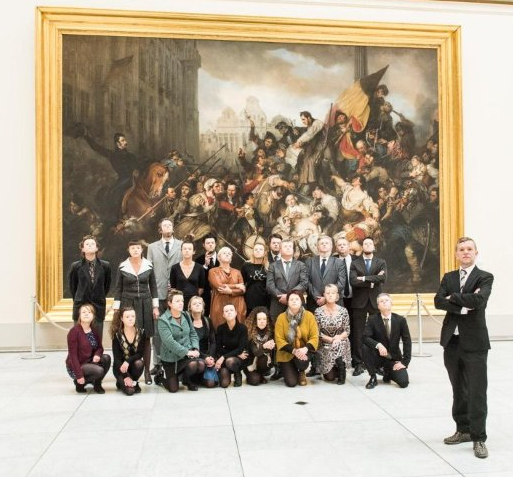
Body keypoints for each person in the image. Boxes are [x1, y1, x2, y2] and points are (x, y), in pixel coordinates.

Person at [434, 237, 494, 459]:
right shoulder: (449, 277)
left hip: (475, 343)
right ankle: (463, 430)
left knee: (477, 391)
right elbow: (438, 301)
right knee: (458, 388)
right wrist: (463, 304)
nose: (466, 252)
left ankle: (479, 438)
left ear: (476, 253)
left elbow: (480, 301)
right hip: (452, 342)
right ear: (456, 254)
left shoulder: (485, 276)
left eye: (469, 249)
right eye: (461, 249)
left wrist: (454, 298)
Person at [113, 241, 159, 385]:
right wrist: (116, 308)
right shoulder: (123, 266)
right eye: (132, 248)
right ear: (128, 250)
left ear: (142, 250)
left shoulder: (149, 265)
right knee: (128, 334)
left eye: (138, 248)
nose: (135, 250)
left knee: (146, 337)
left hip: (146, 303)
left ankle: (147, 372)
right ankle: (127, 369)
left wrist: (155, 307)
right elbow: (118, 288)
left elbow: (153, 287)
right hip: (128, 303)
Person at [147, 218, 182, 378]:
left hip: (177, 295)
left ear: (173, 228)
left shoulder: (181, 245)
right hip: (158, 294)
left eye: (170, 225)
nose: (167, 227)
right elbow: (149, 270)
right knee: (157, 331)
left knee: (178, 328)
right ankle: (157, 363)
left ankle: (178, 361)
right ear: (160, 229)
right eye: (164, 225)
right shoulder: (152, 247)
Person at [350, 237, 387, 376]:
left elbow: (383, 278)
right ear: (362, 247)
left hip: (375, 302)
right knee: (358, 333)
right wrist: (373, 280)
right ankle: (358, 363)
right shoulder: (355, 263)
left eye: (370, 243)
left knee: (377, 332)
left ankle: (377, 363)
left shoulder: (381, 262)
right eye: (365, 243)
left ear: (374, 246)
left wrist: (364, 278)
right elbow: (353, 281)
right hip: (359, 302)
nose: (368, 245)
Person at [157, 289, 205, 392]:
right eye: (177, 301)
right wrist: (187, 352)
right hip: (171, 358)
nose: (181, 303)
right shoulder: (163, 320)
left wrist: (195, 348)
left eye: (182, 301)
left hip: (185, 356)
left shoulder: (186, 315)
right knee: (173, 389)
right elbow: (169, 342)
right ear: (170, 303)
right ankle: (160, 377)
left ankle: (187, 380)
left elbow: (193, 334)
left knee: (200, 364)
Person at [362, 293, 411, 390]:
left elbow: (407, 341)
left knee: (404, 382)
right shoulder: (372, 319)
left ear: (391, 303)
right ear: (378, 306)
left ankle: (388, 373)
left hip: (393, 358)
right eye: (381, 301)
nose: (384, 302)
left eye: (386, 300)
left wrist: (405, 362)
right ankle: (373, 376)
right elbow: (365, 337)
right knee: (365, 347)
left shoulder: (400, 320)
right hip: (378, 357)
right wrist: (378, 345)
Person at [68, 235, 112, 341]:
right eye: (87, 244)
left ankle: (96, 352)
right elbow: (73, 287)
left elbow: (106, 286)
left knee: (97, 338)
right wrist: (79, 298)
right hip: (81, 304)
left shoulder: (105, 266)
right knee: (80, 338)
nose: (90, 246)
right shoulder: (76, 266)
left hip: (98, 305)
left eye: (92, 244)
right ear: (82, 249)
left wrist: (99, 296)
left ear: (97, 248)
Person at [274, 291, 319, 387]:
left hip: (303, 351)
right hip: (287, 352)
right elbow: (279, 339)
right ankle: (288, 369)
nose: (294, 301)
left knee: (301, 363)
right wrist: (294, 351)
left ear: (302, 301)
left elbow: (314, 337)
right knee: (291, 383)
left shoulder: (309, 316)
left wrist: (305, 349)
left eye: (297, 299)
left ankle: (301, 371)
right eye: (291, 299)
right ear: (287, 302)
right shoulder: (281, 317)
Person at [65, 304, 111, 394]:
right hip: (76, 366)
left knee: (106, 358)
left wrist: (97, 354)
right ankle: (80, 383)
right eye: (83, 312)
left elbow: (100, 348)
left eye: (89, 312)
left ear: (93, 316)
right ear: (79, 315)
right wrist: (79, 375)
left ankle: (97, 384)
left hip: (89, 361)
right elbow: (73, 356)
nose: (86, 314)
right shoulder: (74, 332)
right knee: (99, 371)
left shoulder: (93, 330)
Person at [315, 284, 351, 385]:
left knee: (339, 344)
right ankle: (335, 366)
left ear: (337, 295)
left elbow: (347, 330)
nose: (330, 295)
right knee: (330, 378)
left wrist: (338, 338)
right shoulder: (318, 311)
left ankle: (341, 368)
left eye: (333, 293)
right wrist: (331, 340)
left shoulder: (343, 311)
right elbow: (317, 332)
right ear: (324, 295)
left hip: (340, 342)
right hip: (325, 344)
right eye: (328, 293)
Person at [266, 239, 308, 320]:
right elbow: (269, 284)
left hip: (296, 303)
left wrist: (289, 296)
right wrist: (280, 296)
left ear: (293, 250)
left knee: (298, 327)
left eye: (290, 246)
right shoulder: (273, 266)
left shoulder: (301, 265)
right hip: (278, 303)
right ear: (280, 250)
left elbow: (304, 283)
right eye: (285, 246)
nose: (288, 248)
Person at [208, 247, 247, 329]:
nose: (227, 255)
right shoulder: (213, 271)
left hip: (238, 304)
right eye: (224, 253)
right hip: (220, 303)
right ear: (218, 257)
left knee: (238, 330)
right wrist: (236, 286)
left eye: (229, 254)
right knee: (219, 329)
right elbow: (219, 286)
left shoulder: (237, 272)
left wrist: (230, 292)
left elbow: (242, 289)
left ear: (231, 258)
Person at [110, 307, 146, 396]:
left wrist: (128, 361)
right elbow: (117, 359)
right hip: (120, 368)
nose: (130, 319)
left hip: (133, 366)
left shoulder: (141, 332)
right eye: (127, 317)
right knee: (130, 391)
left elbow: (140, 354)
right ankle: (121, 381)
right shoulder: (117, 335)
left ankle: (134, 380)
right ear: (122, 319)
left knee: (140, 363)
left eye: (133, 316)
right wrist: (125, 376)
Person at [215, 304, 249, 388]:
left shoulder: (243, 328)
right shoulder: (220, 328)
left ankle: (237, 373)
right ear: (223, 315)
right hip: (227, 358)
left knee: (230, 361)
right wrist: (236, 353)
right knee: (224, 384)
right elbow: (219, 348)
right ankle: (229, 372)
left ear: (236, 313)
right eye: (226, 311)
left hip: (238, 360)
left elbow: (241, 349)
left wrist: (223, 357)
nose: (229, 312)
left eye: (231, 310)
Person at [188, 296, 217, 388]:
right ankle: (189, 377)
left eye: (199, 303)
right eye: (194, 303)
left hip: (207, 355)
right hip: (192, 355)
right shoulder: (186, 322)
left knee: (211, 383)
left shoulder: (208, 321)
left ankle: (200, 376)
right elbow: (188, 345)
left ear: (203, 307)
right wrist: (204, 357)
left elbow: (213, 342)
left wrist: (210, 357)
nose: (197, 305)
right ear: (190, 307)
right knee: (199, 364)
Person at [170, 240, 205, 309]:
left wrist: (194, 298)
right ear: (181, 251)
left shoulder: (200, 268)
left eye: (189, 249)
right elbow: (173, 287)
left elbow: (201, 288)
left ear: (194, 251)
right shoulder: (175, 268)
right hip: (179, 303)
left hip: (194, 303)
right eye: (184, 249)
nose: (187, 251)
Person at [244, 307, 275, 385]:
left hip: (263, 363)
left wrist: (272, 347)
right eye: (259, 319)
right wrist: (264, 346)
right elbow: (255, 352)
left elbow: (271, 353)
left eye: (264, 319)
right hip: (250, 364)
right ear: (255, 321)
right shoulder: (250, 333)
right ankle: (256, 376)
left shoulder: (270, 333)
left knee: (264, 357)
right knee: (255, 381)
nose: (262, 321)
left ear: (267, 321)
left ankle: (261, 374)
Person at [241, 242, 271, 315]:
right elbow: (242, 282)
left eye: (260, 249)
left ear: (264, 253)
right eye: (256, 249)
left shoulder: (269, 266)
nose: (258, 251)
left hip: (265, 300)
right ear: (253, 252)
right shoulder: (246, 265)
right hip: (250, 299)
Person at [196, 234, 219, 316]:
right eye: (208, 243)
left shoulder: (222, 258)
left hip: (219, 294)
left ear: (215, 244)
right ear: (204, 245)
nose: (210, 245)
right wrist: (205, 265)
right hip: (204, 295)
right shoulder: (198, 260)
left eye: (212, 243)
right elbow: (197, 278)